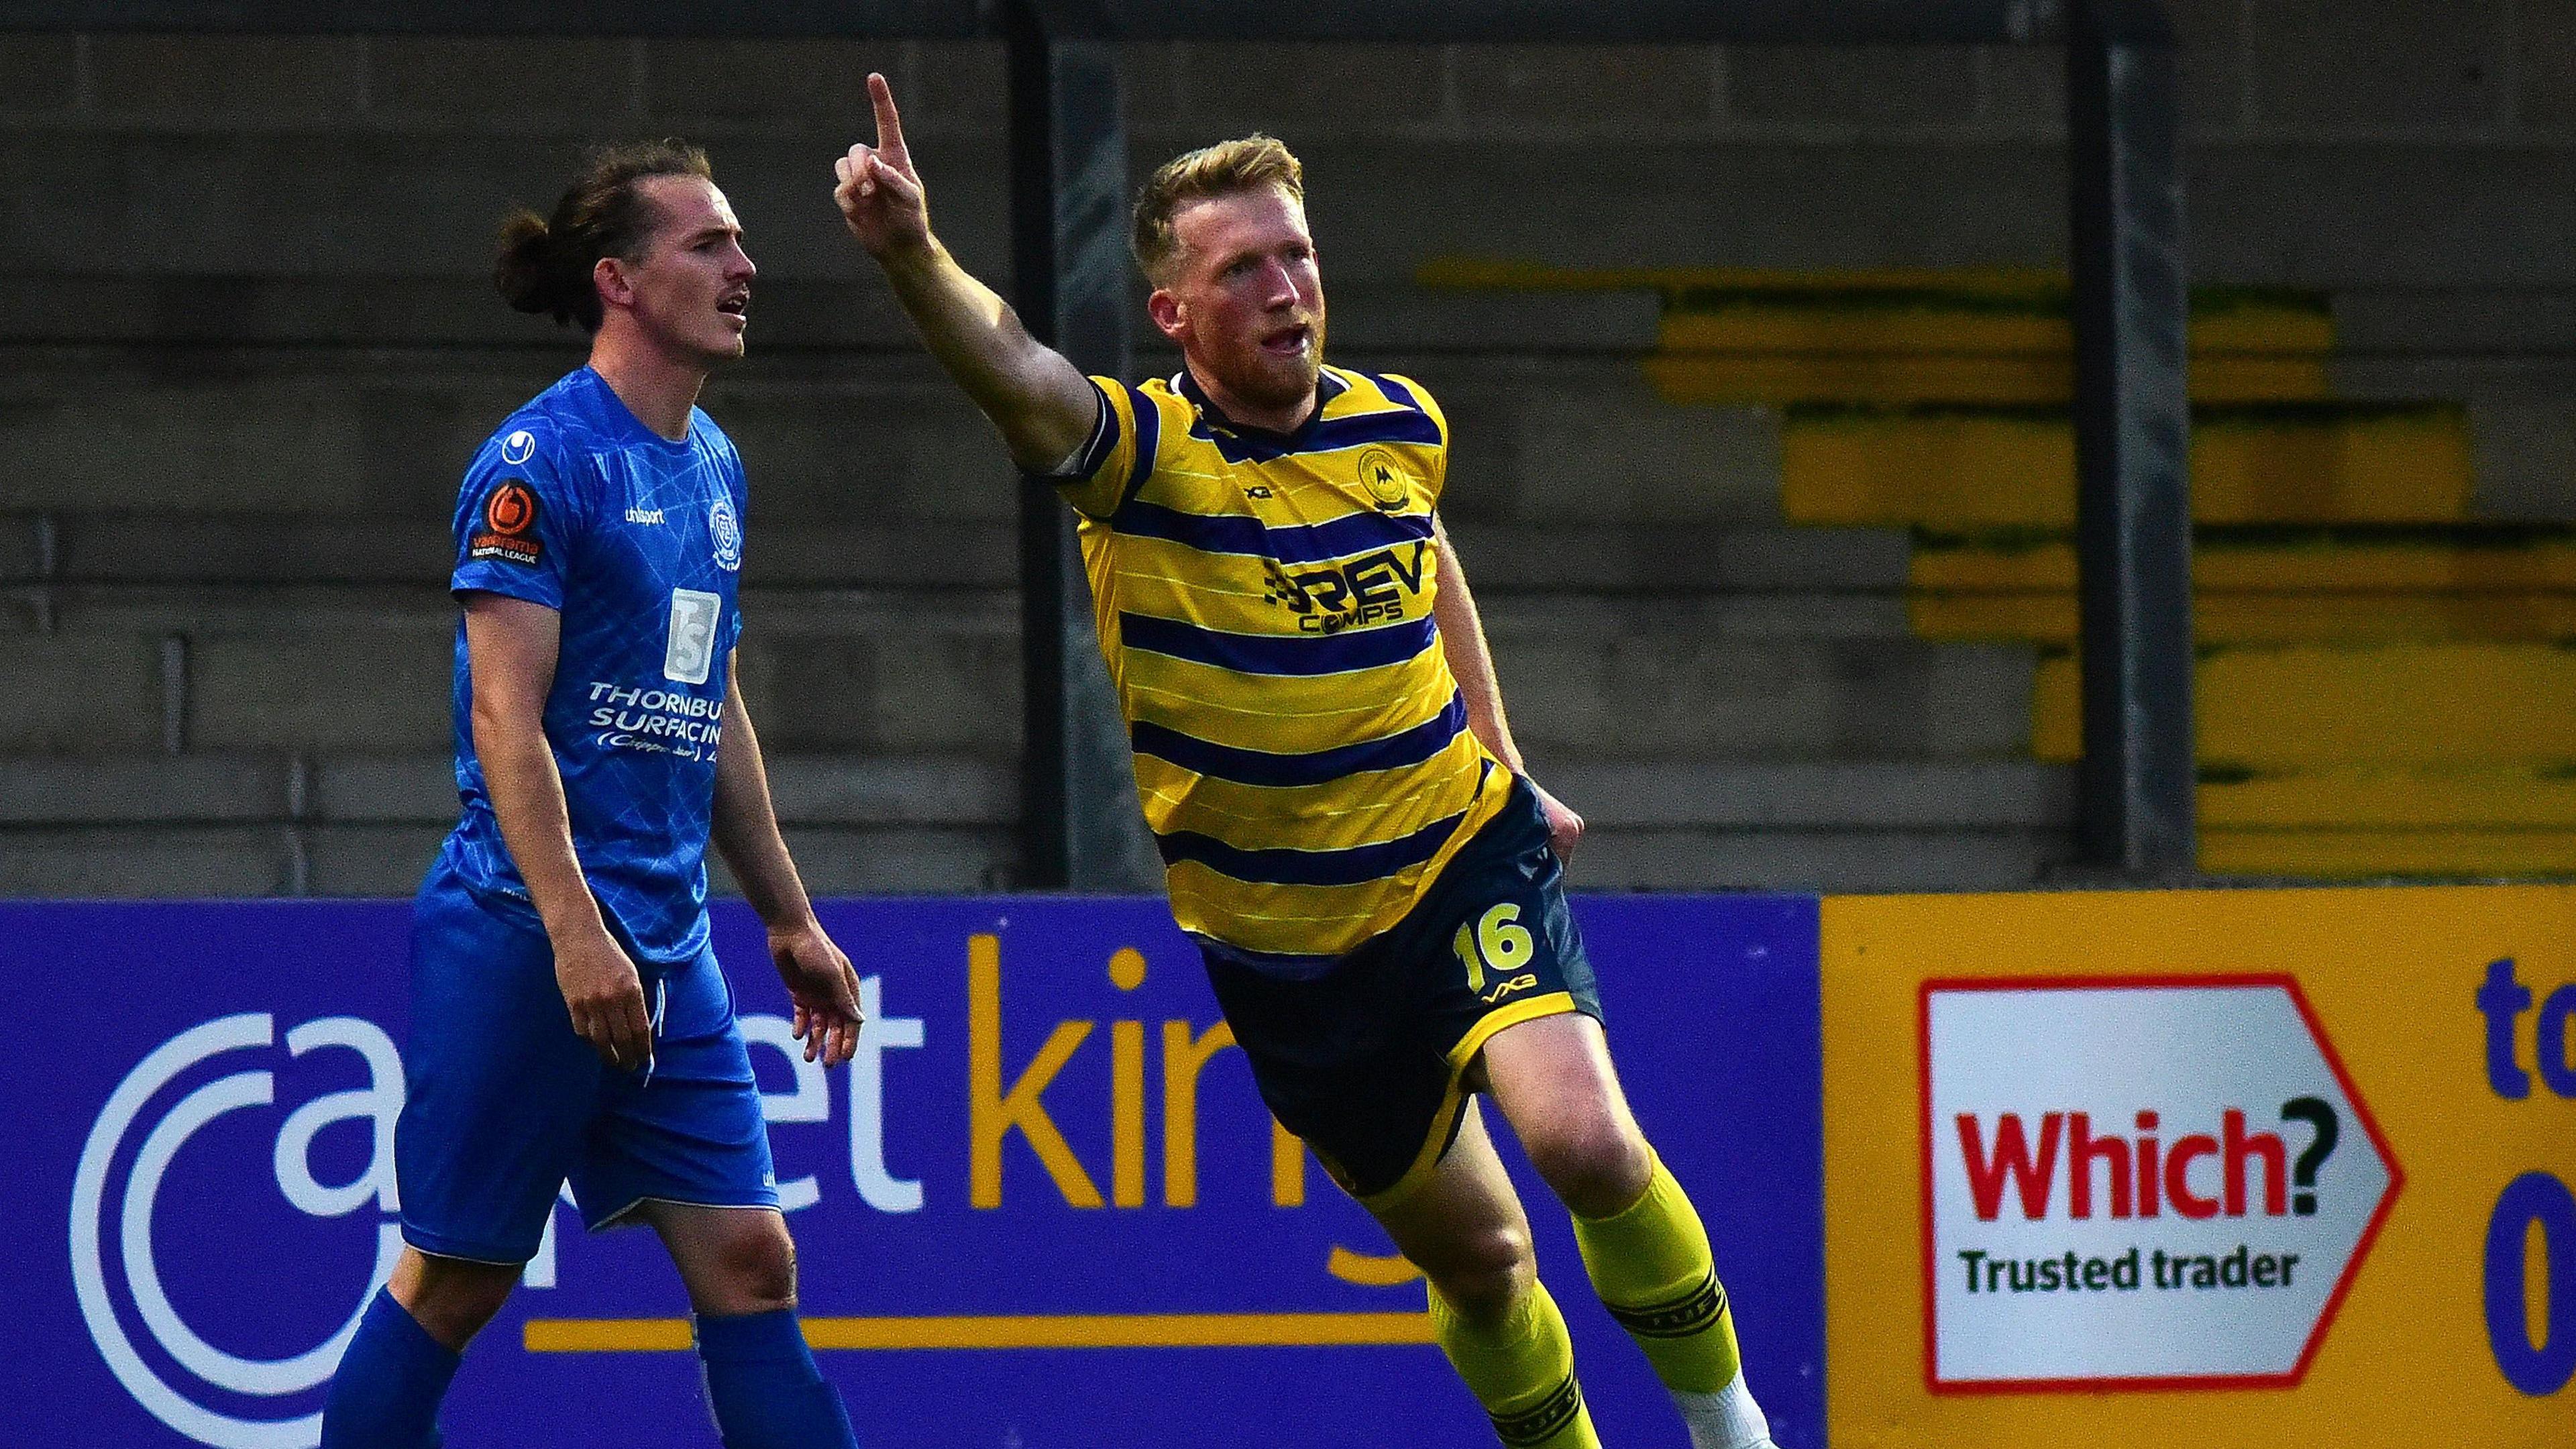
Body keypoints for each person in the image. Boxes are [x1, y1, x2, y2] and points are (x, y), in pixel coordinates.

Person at [835, 75, 1778, 1449]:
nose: (1287, 288)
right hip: (1289, 953)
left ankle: (1729, 1425)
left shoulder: (1399, 422)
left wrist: (1505, 763)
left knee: (1583, 1143)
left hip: (1455, 854)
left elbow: (1425, 561)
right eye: (1245, 269)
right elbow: (1024, 377)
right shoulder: (1142, 459)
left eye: (1299, 255)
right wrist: (915, 254)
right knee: (1484, 1264)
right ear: (1176, 314)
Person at [319, 142, 868, 1449]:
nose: (746, 267)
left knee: (752, 1263)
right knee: (456, 1281)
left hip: (670, 949)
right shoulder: (536, 465)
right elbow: (506, 718)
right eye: (708, 245)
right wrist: (574, 933)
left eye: (739, 243)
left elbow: (706, 701)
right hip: (528, 937)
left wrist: (788, 919)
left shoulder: (715, 468)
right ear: (618, 280)